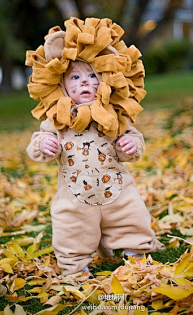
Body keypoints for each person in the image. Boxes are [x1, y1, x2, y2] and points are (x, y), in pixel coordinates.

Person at [26, 17, 160, 276]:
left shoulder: (114, 113)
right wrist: (45, 144)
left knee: (133, 217)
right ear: (61, 84)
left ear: (106, 77)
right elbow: (37, 144)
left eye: (92, 75)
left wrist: (130, 145)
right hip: (74, 198)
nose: (84, 82)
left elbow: (133, 138)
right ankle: (75, 266)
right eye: (74, 77)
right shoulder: (57, 119)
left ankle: (137, 253)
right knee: (70, 230)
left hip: (118, 190)